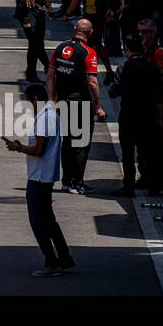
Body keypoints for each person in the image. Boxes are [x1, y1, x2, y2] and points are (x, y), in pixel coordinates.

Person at [4, 83, 75, 277]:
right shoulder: (50, 115)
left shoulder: (45, 118)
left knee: (38, 221)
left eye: (28, 102)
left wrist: (18, 148)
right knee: (49, 220)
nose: (28, 107)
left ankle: (51, 261)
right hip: (44, 174)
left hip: (40, 176)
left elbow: (38, 150)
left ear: (36, 98)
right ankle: (64, 257)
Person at [49, 18, 105, 194]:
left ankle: (66, 181)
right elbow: (93, 82)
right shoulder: (88, 52)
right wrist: (98, 107)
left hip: (63, 102)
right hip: (80, 103)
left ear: (75, 30)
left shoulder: (59, 48)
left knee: (67, 143)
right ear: (90, 32)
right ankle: (77, 183)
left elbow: (50, 75)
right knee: (80, 144)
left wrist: (52, 99)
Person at [111, 33, 163, 197]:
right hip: (148, 115)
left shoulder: (123, 68)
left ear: (127, 50)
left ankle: (129, 186)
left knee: (127, 154)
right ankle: (152, 186)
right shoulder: (152, 67)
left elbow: (113, 91)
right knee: (149, 151)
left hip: (128, 115)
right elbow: (160, 93)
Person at [8, 0, 52, 82]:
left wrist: (49, 7)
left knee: (37, 43)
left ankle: (31, 73)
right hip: (25, 13)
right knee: (34, 41)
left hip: (39, 13)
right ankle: (49, 67)